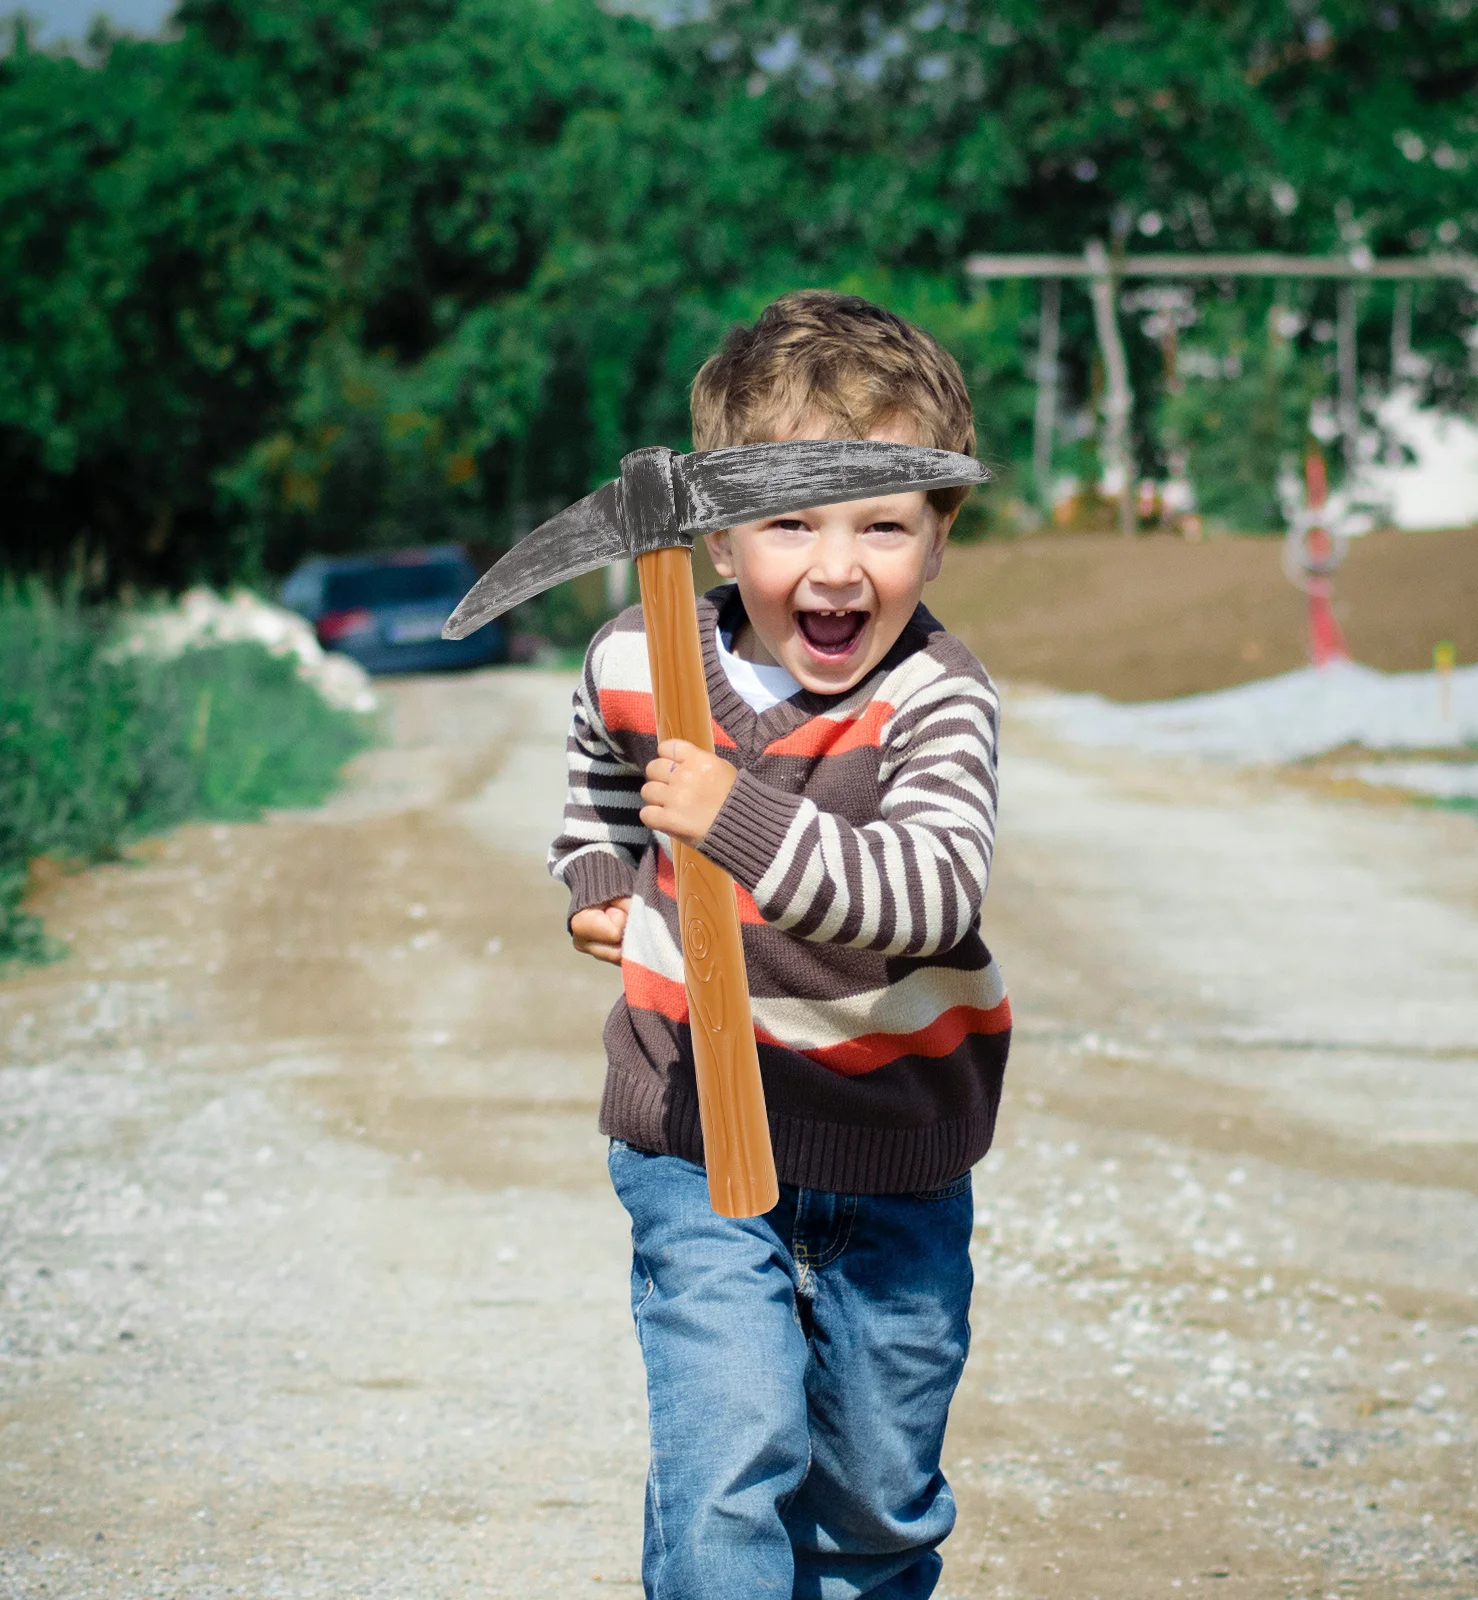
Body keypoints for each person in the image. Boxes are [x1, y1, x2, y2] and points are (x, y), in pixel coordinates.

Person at [548, 290, 1010, 1600]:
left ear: (941, 530)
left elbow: (925, 893)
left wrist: (731, 817)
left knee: (876, 1502)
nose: (836, 566)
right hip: (695, 1130)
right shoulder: (640, 652)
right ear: (715, 526)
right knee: (729, 1458)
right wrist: (592, 867)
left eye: (883, 523)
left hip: (890, 1144)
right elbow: (596, 765)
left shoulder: (936, 700)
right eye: (790, 520)